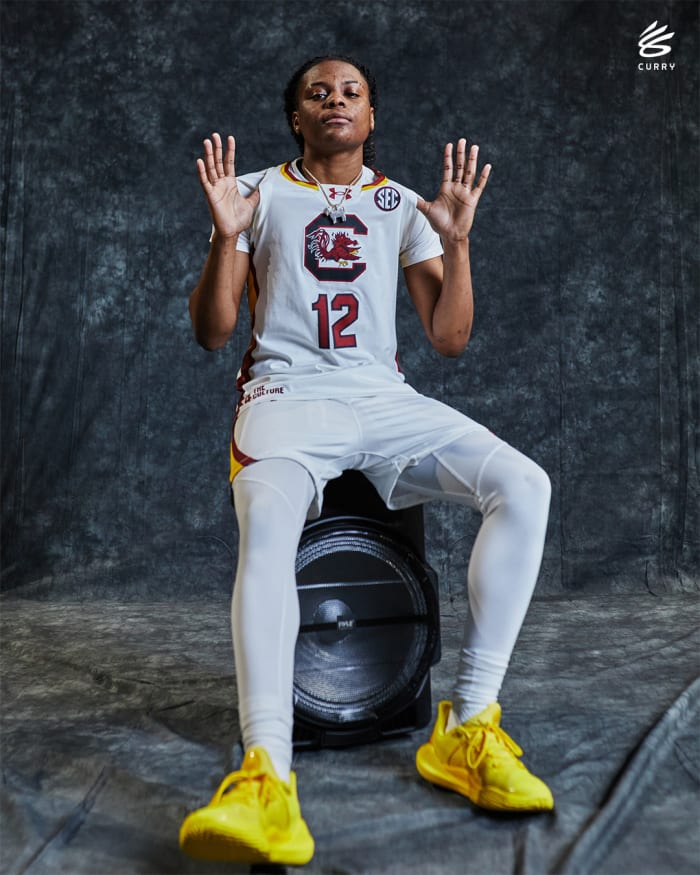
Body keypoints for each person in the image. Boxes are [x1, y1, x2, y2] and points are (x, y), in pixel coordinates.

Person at [179, 54, 553, 867]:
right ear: (297, 119)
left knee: (523, 484)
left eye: (351, 92)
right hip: (285, 398)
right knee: (268, 526)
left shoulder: (403, 206)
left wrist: (456, 246)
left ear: (372, 117)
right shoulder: (255, 192)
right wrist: (227, 237)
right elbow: (212, 332)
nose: (335, 101)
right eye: (319, 93)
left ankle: (468, 727)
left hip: (382, 398)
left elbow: (448, 339)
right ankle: (266, 775)